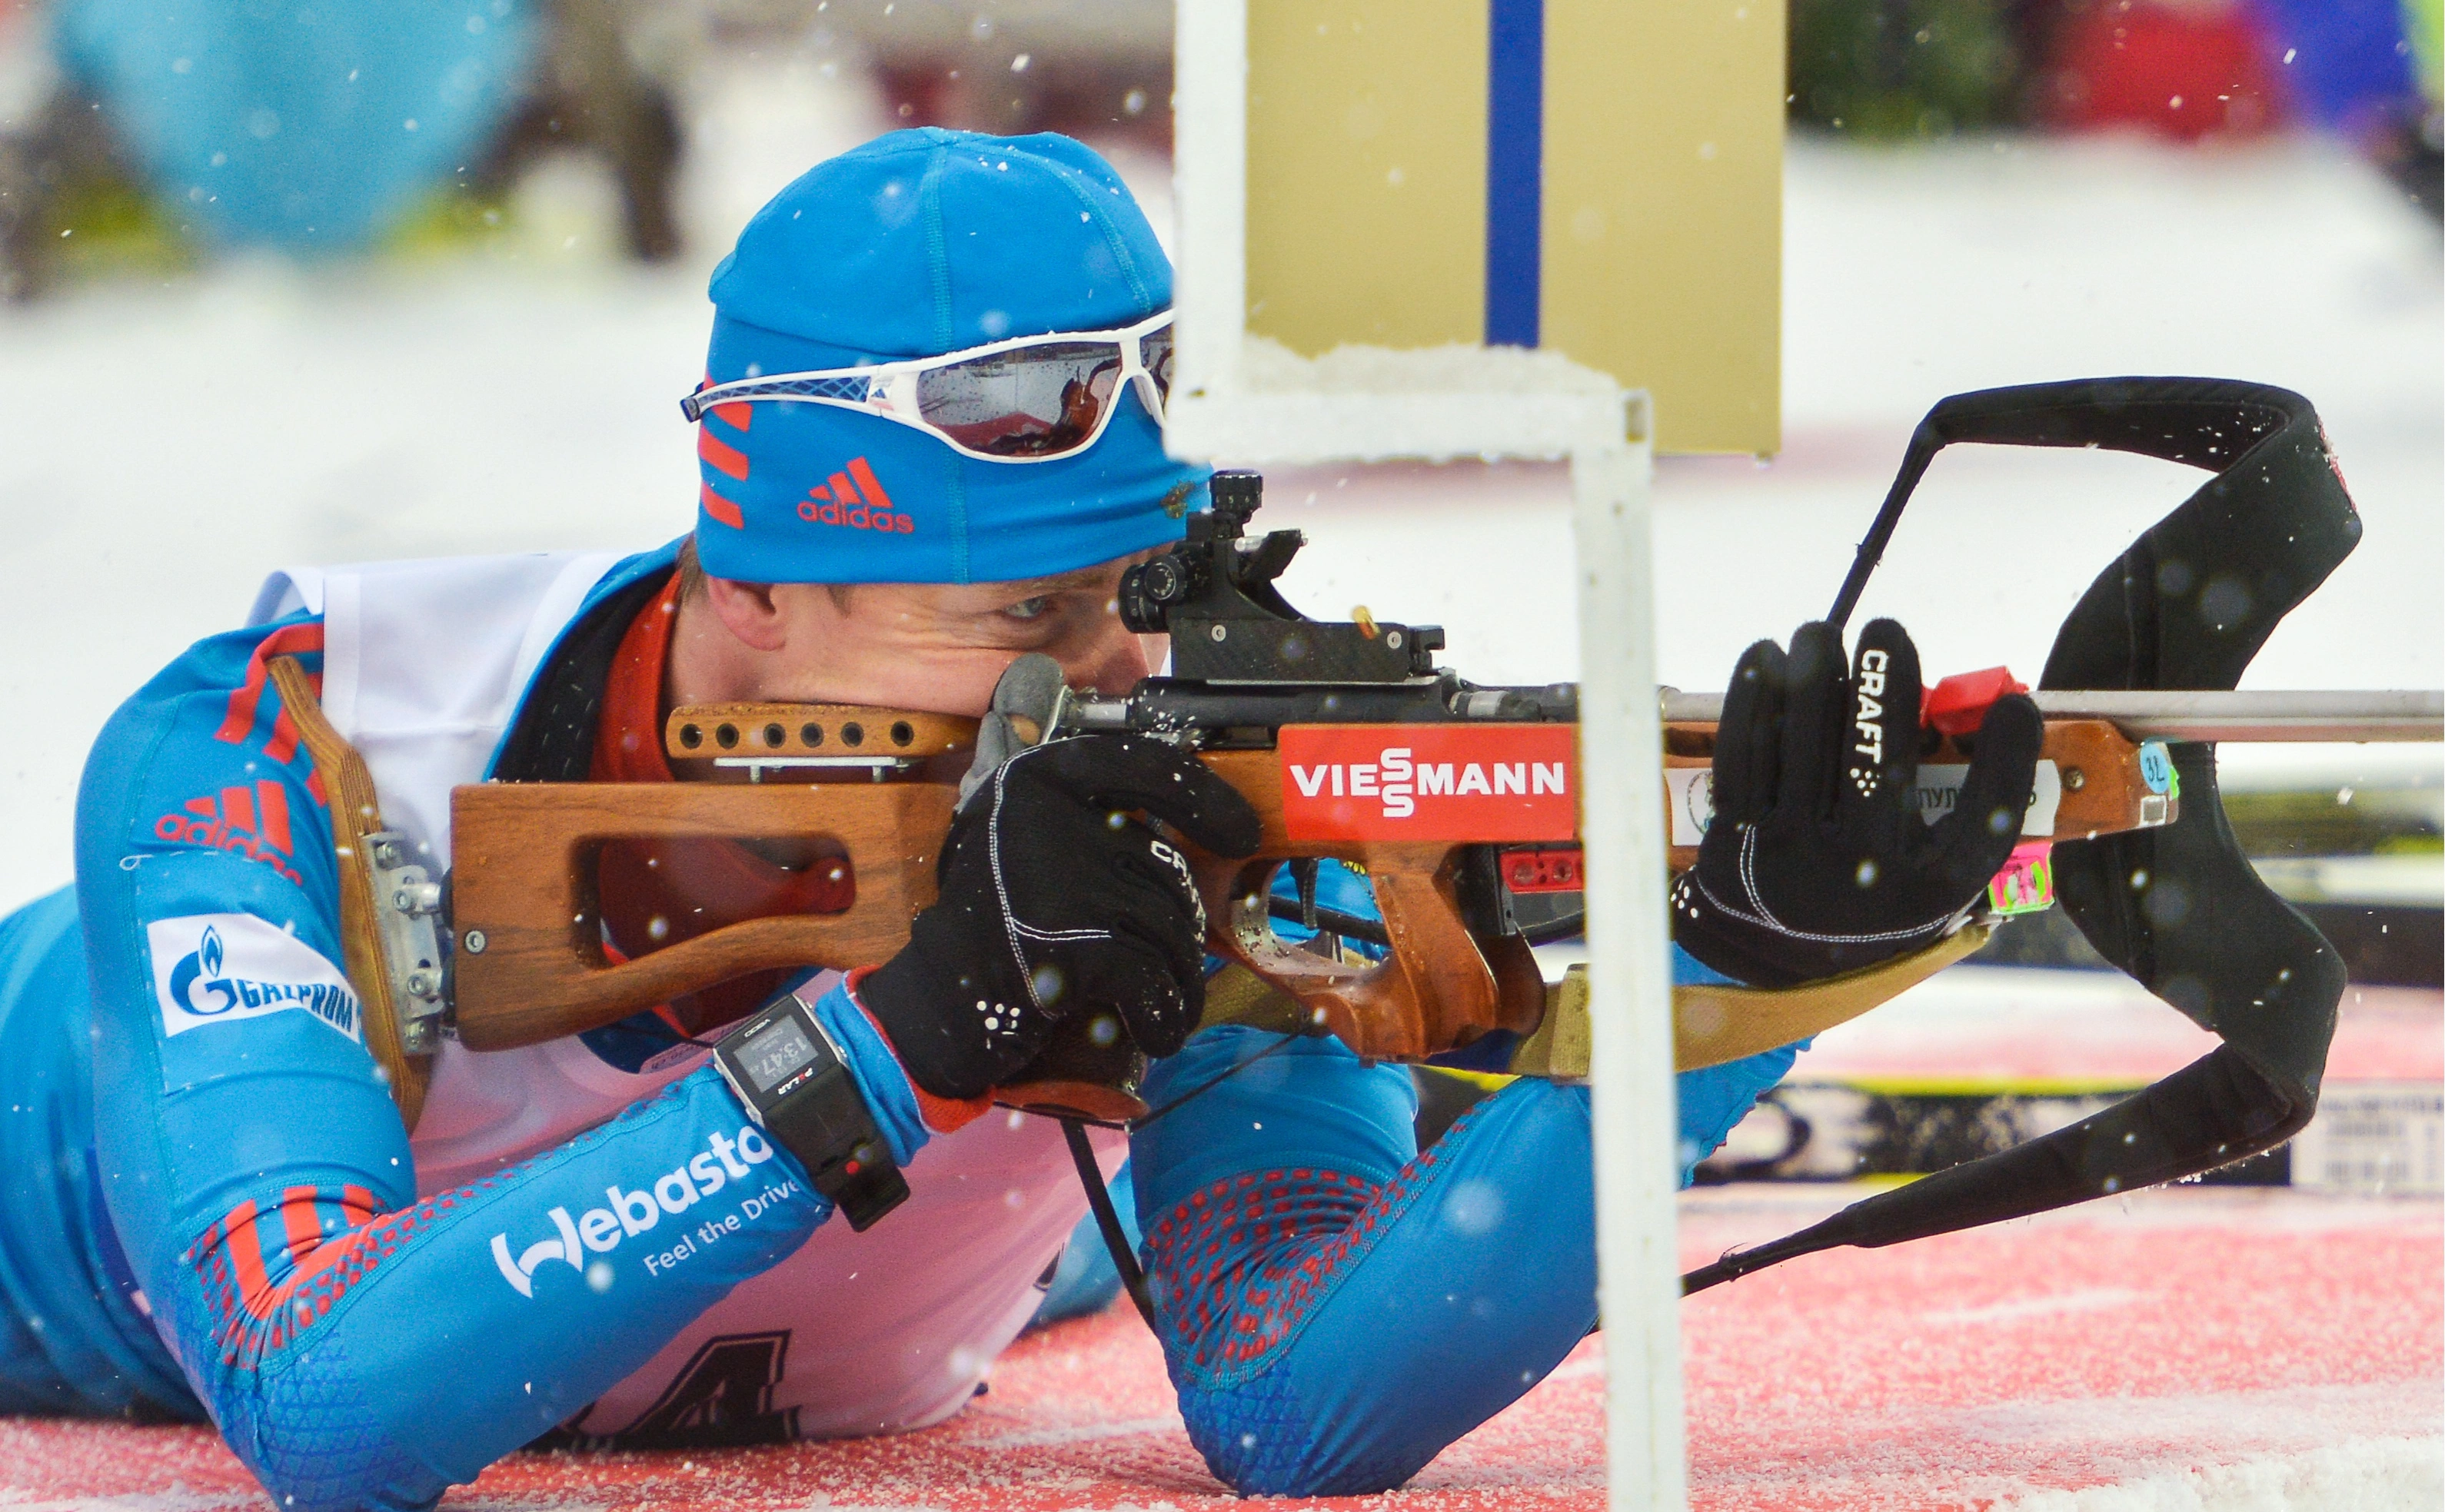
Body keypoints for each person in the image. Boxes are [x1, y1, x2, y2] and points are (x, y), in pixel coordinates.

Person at [0, 128, 2039, 1507]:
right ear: (759, 580)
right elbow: (328, 1400)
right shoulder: (291, 740)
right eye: (1021, 622)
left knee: (1340, 1049)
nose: (1118, 683)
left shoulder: (1186, 757)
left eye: (1134, 600)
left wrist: (1741, 969)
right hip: (78, 1257)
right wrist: (900, 1043)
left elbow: (1295, 1404)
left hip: (938, 1306)